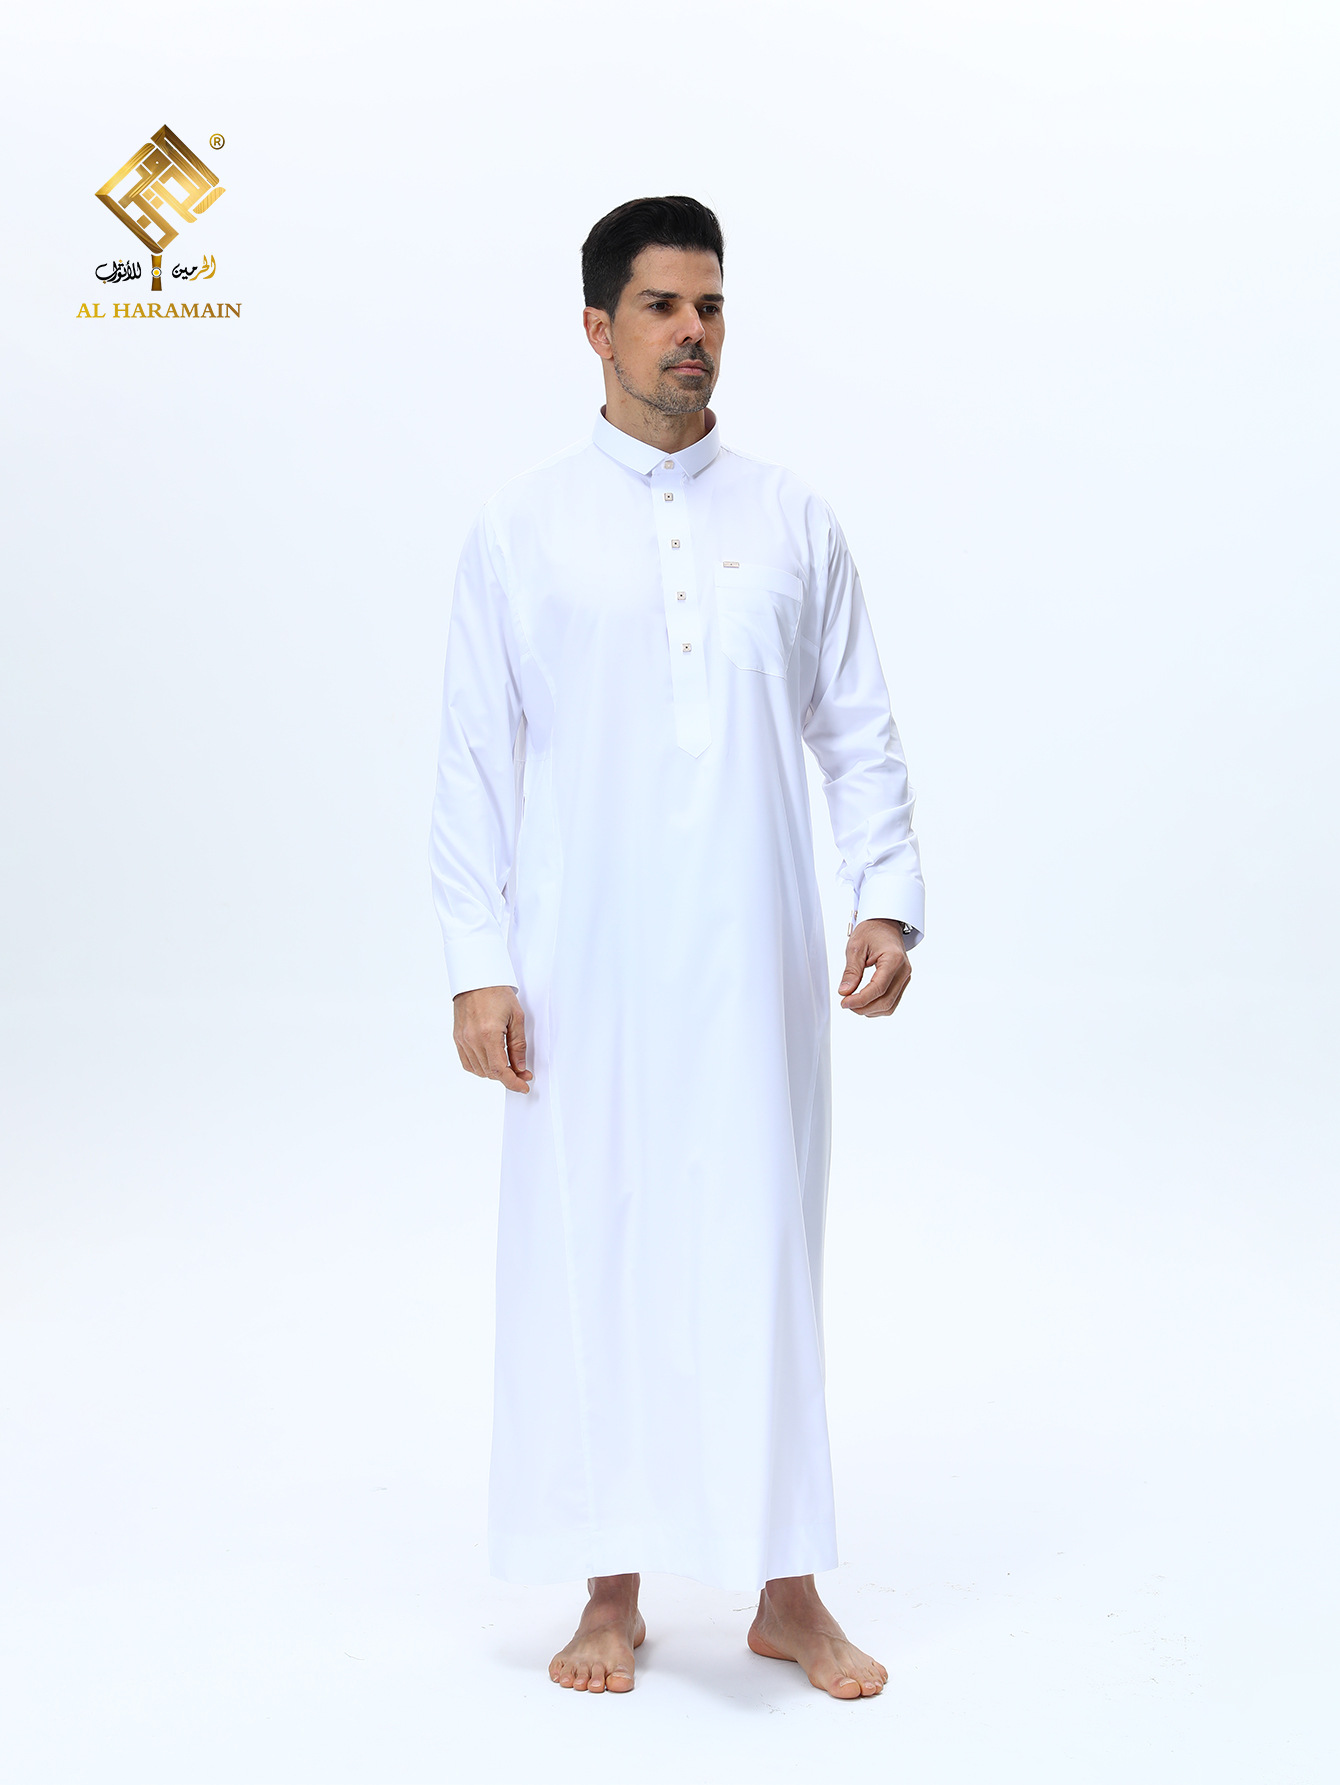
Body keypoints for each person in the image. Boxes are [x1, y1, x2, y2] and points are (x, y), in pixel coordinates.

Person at [429, 196, 924, 1699]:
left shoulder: (791, 520)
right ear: (597, 327)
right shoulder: (521, 528)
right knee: (594, 1246)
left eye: (710, 306)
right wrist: (477, 960)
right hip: (583, 964)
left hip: (758, 954)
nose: (692, 333)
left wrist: (885, 894)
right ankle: (610, 1589)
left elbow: (859, 729)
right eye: (661, 306)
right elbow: (472, 758)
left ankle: (787, 1591)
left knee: (763, 1248)